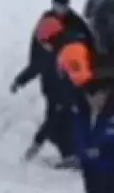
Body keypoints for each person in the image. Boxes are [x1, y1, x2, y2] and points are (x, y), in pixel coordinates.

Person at [12, 14, 76, 163]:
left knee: (58, 125)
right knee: (54, 128)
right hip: (53, 95)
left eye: (45, 42)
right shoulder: (49, 52)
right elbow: (36, 66)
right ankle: (69, 155)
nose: (43, 45)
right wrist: (19, 81)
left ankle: (72, 155)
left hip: (65, 97)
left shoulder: (68, 54)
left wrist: (36, 143)